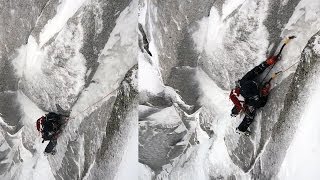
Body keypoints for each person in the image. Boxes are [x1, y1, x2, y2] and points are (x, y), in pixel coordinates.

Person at [229, 36, 295, 135]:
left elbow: (255, 71)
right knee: (250, 115)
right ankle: (241, 129)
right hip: (248, 97)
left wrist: (267, 63)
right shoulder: (251, 99)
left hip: (246, 93)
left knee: (248, 112)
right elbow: (261, 103)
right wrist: (264, 93)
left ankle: (237, 120)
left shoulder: (244, 82)